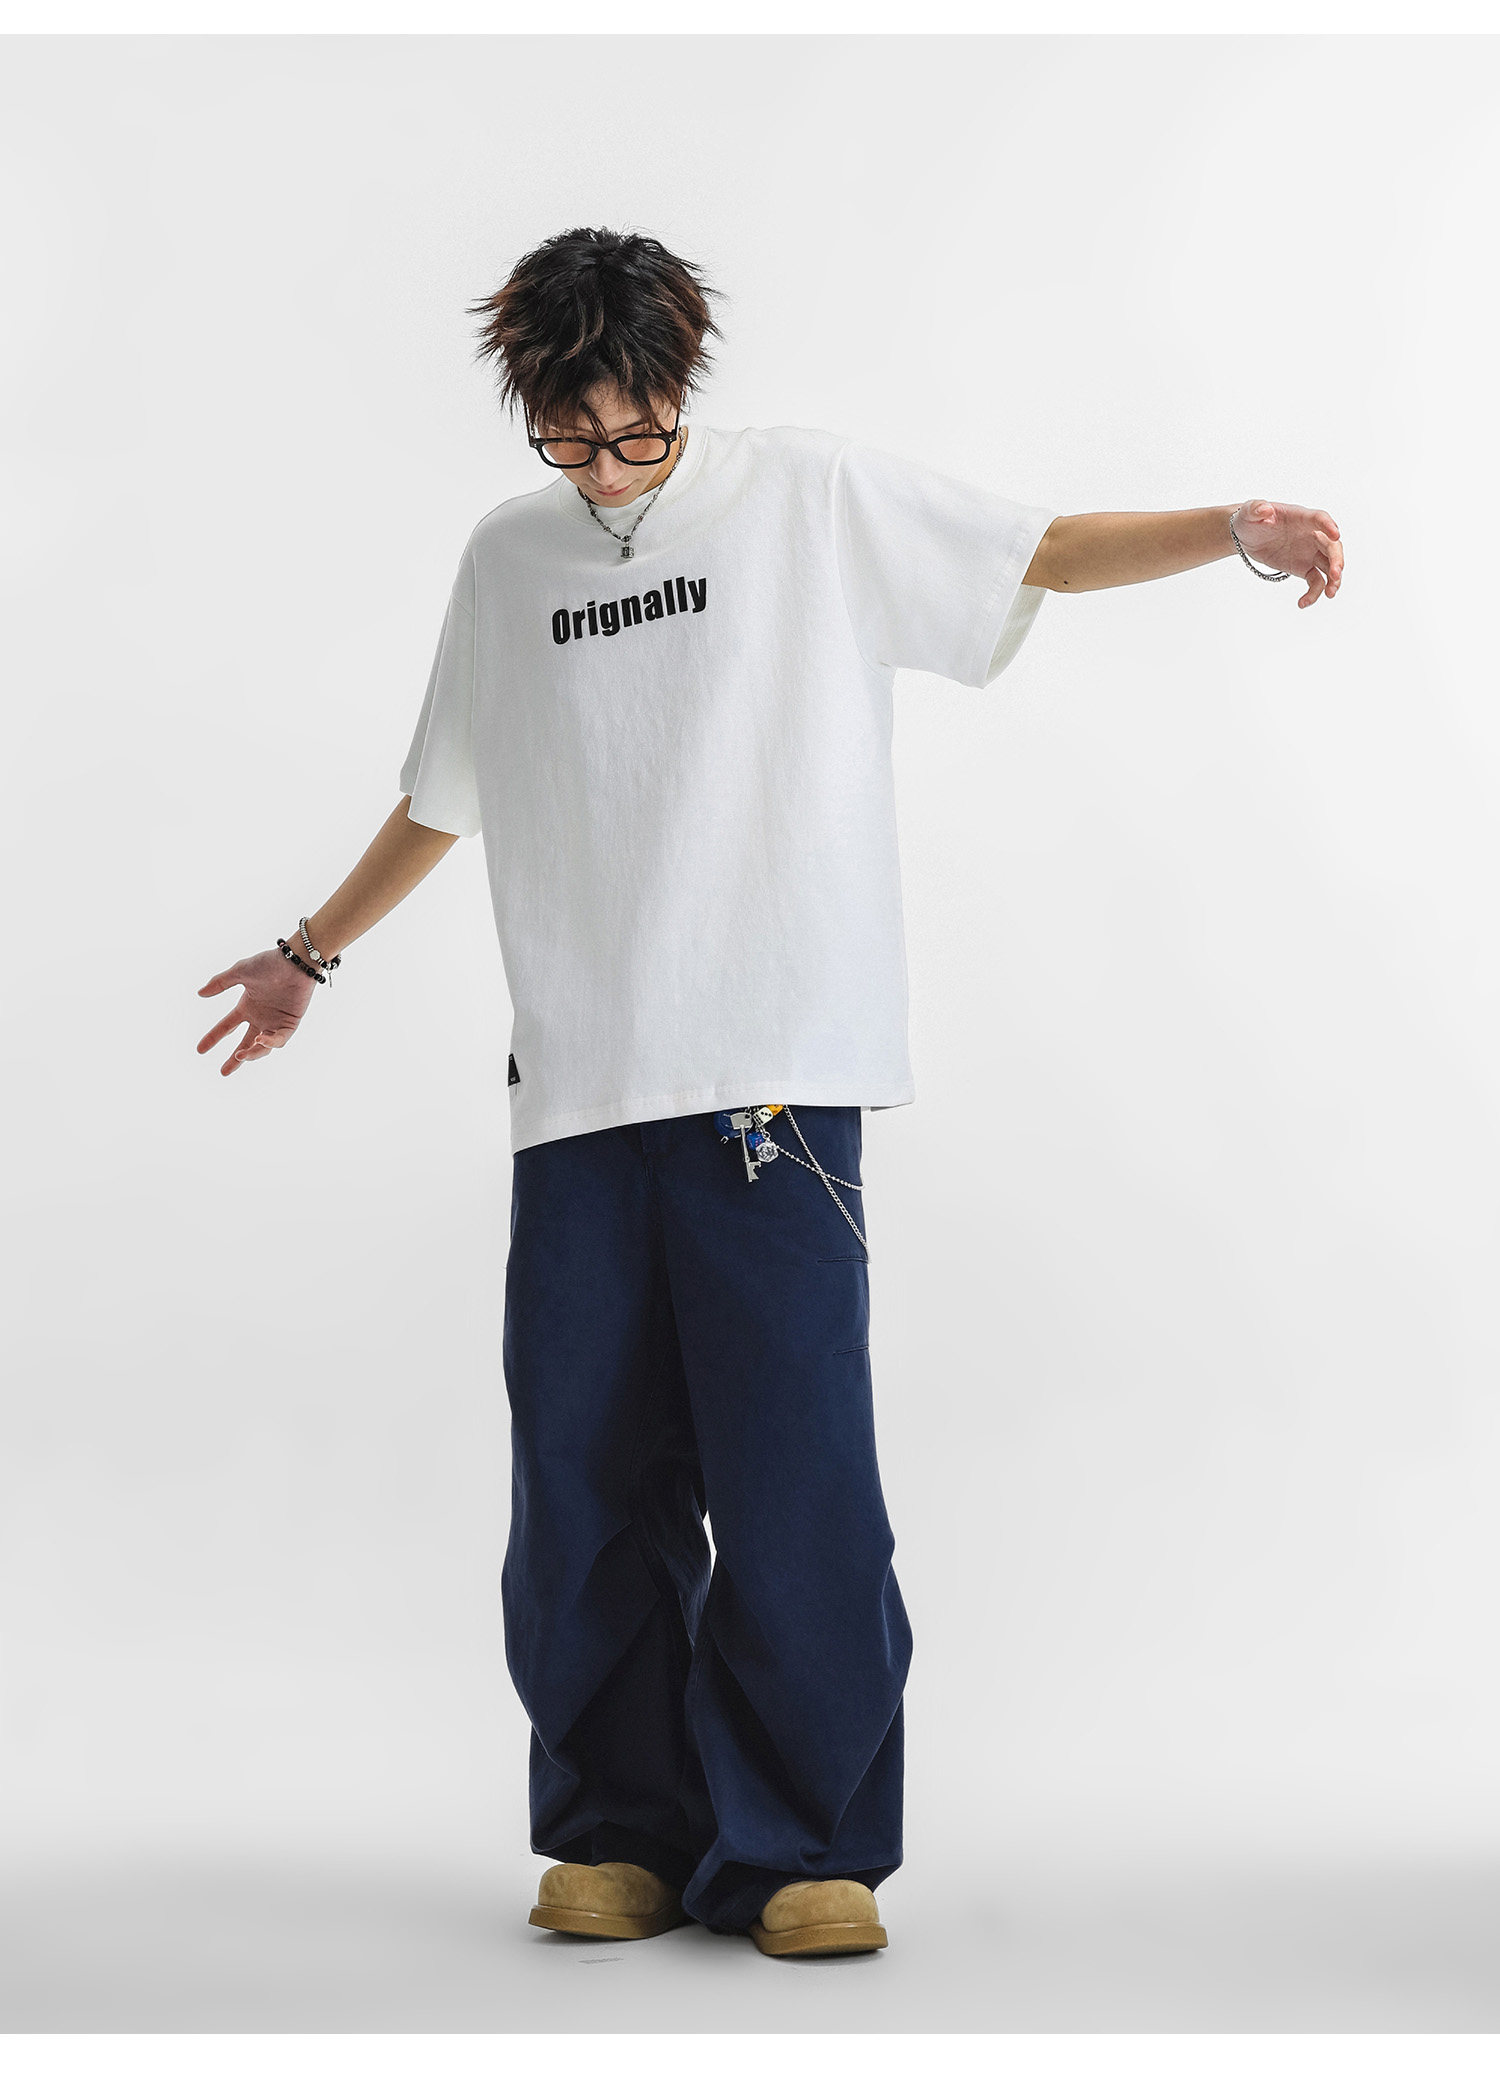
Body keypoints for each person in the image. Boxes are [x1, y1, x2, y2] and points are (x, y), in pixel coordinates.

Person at [196, 225, 1344, 1960]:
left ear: (682, 381)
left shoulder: (803, 496)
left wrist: (1228, 528)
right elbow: (446, 788)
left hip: (778, 1079)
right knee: (583, 1476)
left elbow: (1034, 547)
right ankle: (619, 1833)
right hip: (581, 1085)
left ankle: (807, 1845)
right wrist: (312, 953)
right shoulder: (509, 559)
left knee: (793, 1468)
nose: (607, 466)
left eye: (636, 430)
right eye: (570, 437)